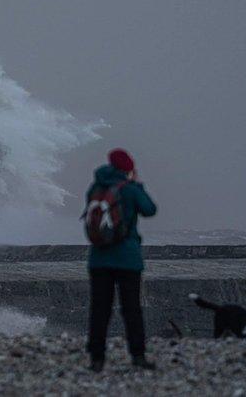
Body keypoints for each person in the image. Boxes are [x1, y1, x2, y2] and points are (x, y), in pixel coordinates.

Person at [85, 148, 158, 372]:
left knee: (99, 309)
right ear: (128, 168)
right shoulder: (130, 190)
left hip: (99, 259)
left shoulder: (96, 187)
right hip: (127, 260)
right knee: (131, 309)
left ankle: (97, 359)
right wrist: (137, 185)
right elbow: (149, 209)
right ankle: (137, 356)